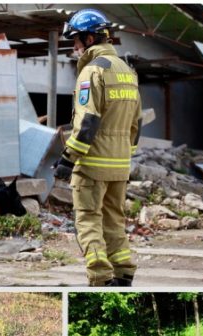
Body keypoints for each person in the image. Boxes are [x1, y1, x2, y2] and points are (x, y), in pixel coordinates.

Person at [55, 8, 142, 287]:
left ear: (90, 38)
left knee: (89, 220)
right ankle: (124, 273)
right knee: (114, 220)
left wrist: (68, 158)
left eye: (77, 40)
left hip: (92, 164)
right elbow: (136, 123)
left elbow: (87, 121)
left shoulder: (91, 72)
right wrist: (125, 155)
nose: (75, 47)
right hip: (119, 165)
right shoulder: (128, 72)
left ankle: (101, 279)